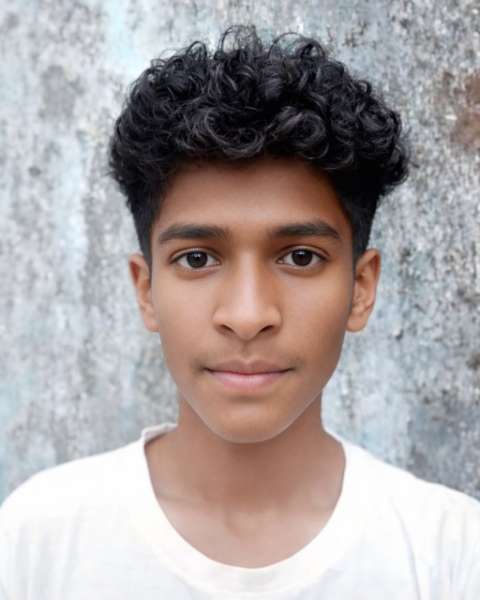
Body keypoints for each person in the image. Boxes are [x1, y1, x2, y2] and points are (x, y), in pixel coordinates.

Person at [1, 23, 479, 600]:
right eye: (197, 258)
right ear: (146, 290)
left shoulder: (449, 556)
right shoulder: (38, 541)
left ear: (360, 288)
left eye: (300, 257)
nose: (248, 315)